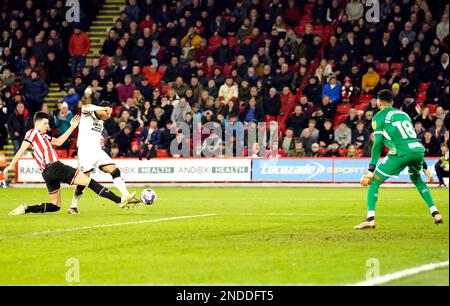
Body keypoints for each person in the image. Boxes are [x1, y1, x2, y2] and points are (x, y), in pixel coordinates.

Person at [3, 112, 136, 216]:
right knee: (89, 181)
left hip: (47, 174)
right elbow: (21, 149)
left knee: (56, 206)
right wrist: (10, 166)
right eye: (45, 124)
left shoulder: (44, 136)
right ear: (37, 123)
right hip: (55, 166)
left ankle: (26, 209)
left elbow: (59, 142)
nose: (47, 126)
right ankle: (120, 200)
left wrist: (72, 127)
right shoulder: (32, 133)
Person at [357, 90, 443, 229]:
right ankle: (435, 212)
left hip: (400, 152)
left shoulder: (379, 117)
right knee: (417, 180)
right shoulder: (404, 114)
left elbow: (378, 143)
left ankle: (370, 218)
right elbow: (411, 138)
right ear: (392, 102)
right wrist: (424, 166)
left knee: (373, 182)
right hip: (417, 150)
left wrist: (371, 168)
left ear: (379, 102)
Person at [69, 102, 139, 214]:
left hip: (97, 151)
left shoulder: (101, 121)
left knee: (115, 170)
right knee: (83, 182)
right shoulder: (87, 115)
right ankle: (73, 206)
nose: (109, 116)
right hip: (85, 152)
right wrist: (103, 108)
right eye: (107, 113)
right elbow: (84, 107)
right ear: (101, 110)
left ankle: (126, 197)